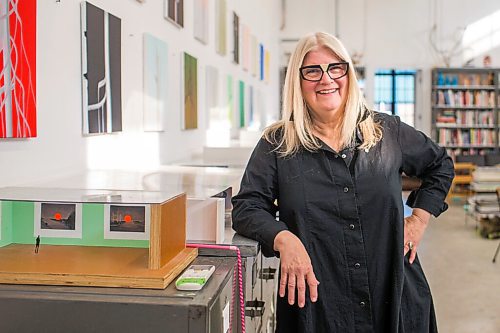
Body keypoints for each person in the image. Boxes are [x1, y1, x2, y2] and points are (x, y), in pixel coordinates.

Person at [232, 32, 454, 332]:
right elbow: (247, 206)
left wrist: (419, 220)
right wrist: (284, 239)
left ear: (348, 72)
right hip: (319, 305)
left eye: (336, 67)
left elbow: (440, 164)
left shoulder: (387, 132)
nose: (326, 79)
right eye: (312, 71)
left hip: (393, 297)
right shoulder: (277, 143)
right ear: (297, 82)